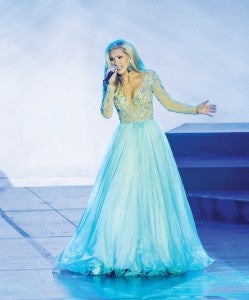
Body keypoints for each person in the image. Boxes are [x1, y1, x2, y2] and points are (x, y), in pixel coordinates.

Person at [53, 39, 216, 276]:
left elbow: (168, 103)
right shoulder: (111, 83)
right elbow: (106, 113)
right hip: (125, 140)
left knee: (152, 196)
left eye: (120, 57)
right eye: (112, 59)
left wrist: (195, 109)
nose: (116, 62)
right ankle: (118, 253)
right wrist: (109, 88)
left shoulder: (148, 77)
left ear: (130, 57)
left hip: (149, 139)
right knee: (121, 197)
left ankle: (154, 250)